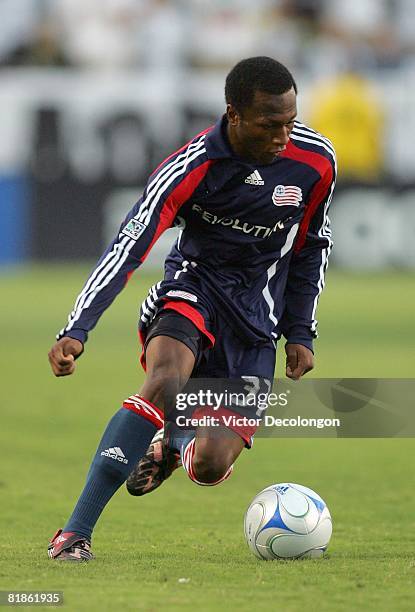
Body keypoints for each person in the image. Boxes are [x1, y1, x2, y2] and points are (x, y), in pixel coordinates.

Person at [47, 56, 336, 561]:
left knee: (210, 465)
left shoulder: (315, 162)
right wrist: (78, 328)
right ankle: (74, 533)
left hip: (256, 319)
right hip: (193, 287)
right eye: (271, 124)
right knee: (164, 382)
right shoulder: (192, 166)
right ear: (235, 115)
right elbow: (129, 245)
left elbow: (311, 246)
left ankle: (175, 446)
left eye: (291, 121)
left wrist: (301, 332)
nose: (283, 136)